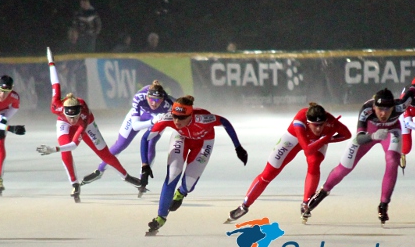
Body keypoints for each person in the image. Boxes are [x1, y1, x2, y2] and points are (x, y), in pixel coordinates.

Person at [305, 70, 415, 225]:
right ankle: (323, 192)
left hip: (391, 131)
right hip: (369, 134)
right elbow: (359, 138)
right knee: (344, 167)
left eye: (387, 110)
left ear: (393, 107)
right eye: (380, 110)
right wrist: (373, 136)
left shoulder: (401, 105)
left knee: (392, 161)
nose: (383, 114)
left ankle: (383, 204)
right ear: (374, 106)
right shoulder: (366, 110)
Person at [35, 48, 138, 202]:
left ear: (78, 113)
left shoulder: (82, 118)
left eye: (74, 117)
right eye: (70, 117)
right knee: (65, 153)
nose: (73, 121)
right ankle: (75, 184)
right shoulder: (56, 106)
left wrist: (54, 149)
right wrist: (51, 63)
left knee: (105, 155)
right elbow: (55, 83)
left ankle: (126, 176)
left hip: (88, 123)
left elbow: (74, 144)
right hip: (61, 123)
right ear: (64, 111)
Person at [226, 102, 351, 224]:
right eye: (315, 125)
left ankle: (306, 203)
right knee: (268, 173)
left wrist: (325, 139)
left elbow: (347, 134)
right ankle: (243, 206)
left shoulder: (330, 121)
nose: (318, 128)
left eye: (321, 125)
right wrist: (325, 137)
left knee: (314, 162)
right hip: (294, 140)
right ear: (308, 122)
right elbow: (307, 148)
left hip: (315, 142)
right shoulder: (300, 120)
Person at [140, 95, 248, 235]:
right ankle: (160, 217)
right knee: (172, 175)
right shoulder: (167, 118)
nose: (177, 121)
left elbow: (225, 122)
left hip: (203, 142)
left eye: (181, 117)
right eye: (174, 116)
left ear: (191, 115)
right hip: (181, 138)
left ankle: (181, 193)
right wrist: (144, 165)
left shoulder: (203, 118)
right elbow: (145, 138)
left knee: (189, 183)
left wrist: (238, 147)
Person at [80, 80, 174, 189]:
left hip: (159, 117)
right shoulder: (139, 97)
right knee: (120, 144)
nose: (154, 103)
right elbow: (135, 126)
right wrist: (153, 121)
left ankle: (143, 177)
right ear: (147, 97)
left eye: (157, 100)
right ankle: (99, 170)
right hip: (142, 116)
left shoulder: (169, 105)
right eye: (151, 99)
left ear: (162, 99)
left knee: (151, 142)